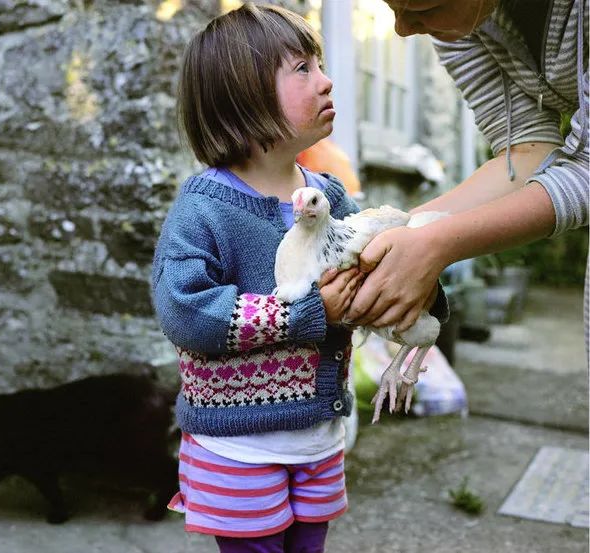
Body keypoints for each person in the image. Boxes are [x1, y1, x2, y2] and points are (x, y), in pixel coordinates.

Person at [151, 4, 363, 552]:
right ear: (242, 95)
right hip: (237, 445)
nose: (326, 80)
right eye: (302, 69)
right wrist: (304, 314)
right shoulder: (205, 210)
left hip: (317, 440)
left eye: (318, 65)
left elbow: (361, 267)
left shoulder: (329, 196)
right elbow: (186, 311)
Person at [346, 0, 588, 340]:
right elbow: (525, 149)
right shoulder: (459, 21)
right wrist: (391, 231)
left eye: (419, 5)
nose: (402, 28)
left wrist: (436, 244)